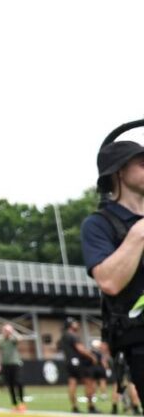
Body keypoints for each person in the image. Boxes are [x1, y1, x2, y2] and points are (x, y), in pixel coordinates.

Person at [81, 140, 144, 403]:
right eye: (142, 164)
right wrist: (140, 232)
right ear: (119, 171)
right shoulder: (98, 225)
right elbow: (109, 281)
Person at [58, 319, 98, 413]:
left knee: (72, 383)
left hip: (68, 362)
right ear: (70, 325)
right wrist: (92, 356)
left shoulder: (64, 336)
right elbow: (80, 349)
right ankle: (91, 406)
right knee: (89, 382)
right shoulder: (73, 335)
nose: (77, 324)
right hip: (77, 362)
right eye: (75, 323)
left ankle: (74, 407)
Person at [0, 324, 26, 411]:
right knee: (10, 385)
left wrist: (13, 331)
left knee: (19, 383)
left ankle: (22, 403)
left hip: (15, 363)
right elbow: (0, 354)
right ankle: (14, 404)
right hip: (5, 364)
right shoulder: (0, 341)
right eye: (5, 330)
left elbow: (20, 338)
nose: (6, 332)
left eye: (8, 330)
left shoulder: (13, 339)